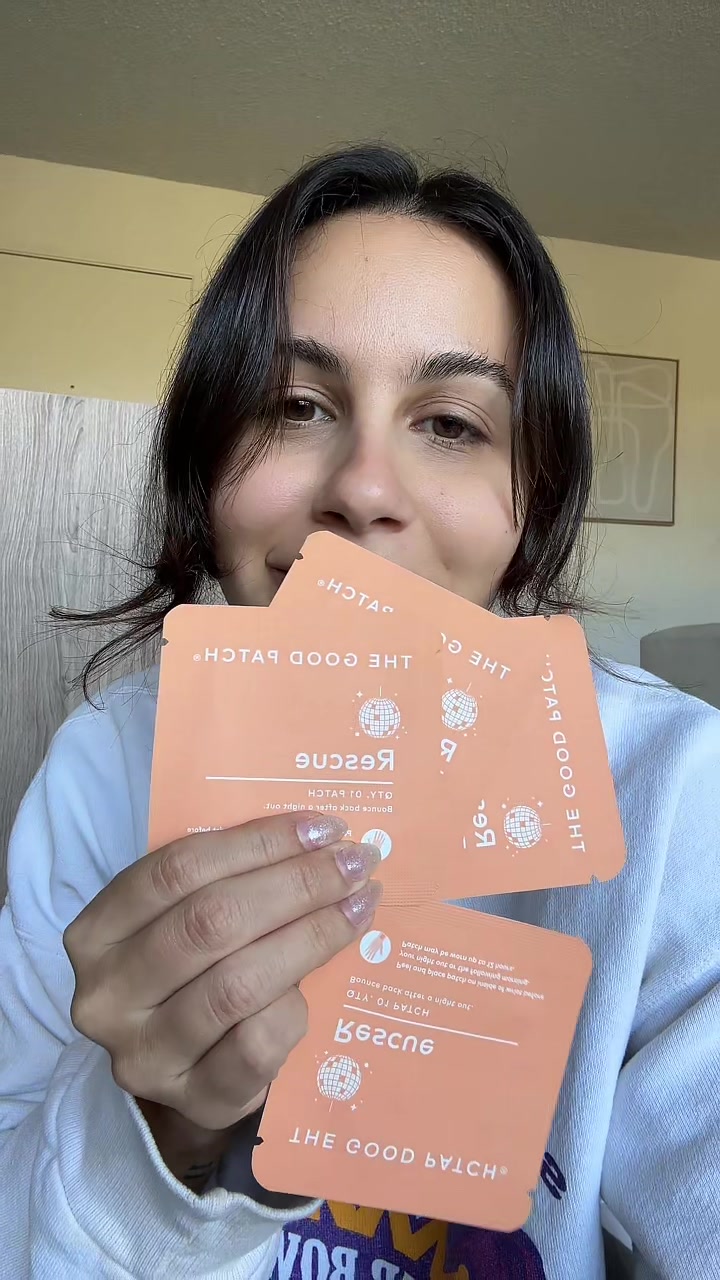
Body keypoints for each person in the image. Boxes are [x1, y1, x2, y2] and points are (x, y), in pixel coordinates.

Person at [1, 145, 717, 1280]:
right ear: (206, 461)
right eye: (295, 405)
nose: (364, 489)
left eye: (453, 423)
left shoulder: (675, 789)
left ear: (527, 507)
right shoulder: (100, 768)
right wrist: (153, 1135)